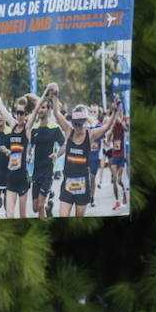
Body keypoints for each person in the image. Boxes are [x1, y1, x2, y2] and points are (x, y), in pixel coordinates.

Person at [47, 84, 115, 218]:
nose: (77, 127)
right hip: (67, 184)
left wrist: (115, 112)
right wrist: (55, 94)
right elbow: (56, 113)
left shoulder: (90, 135)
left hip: (83, 186)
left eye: (80, 124)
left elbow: (106, 127)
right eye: (75, 123)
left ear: (84, 122)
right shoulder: (69, 130)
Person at [0, 77, 37, 220]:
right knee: (9, 216)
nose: (18, 115)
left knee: (23, 217)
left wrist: (47, 92)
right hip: (10, 177)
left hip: (23, 178)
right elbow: (1, 107)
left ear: (27, 115)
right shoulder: (12, 125)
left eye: (21, 113)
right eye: (17, 112)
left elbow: (36, 111)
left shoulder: (27, 129)